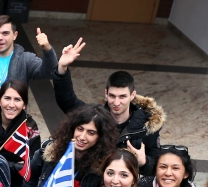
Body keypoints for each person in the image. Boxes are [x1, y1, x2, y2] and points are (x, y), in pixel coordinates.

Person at [53, 39, 164, 173]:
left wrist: (144, 162)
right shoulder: (96, 116)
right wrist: (62, 68)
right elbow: (67, 100)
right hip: (93, 183)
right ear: (106, 93)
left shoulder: (146, 126)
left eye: (122, 96)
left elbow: (158, 165)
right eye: (112, 96)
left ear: (132, 95)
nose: (116, 103)